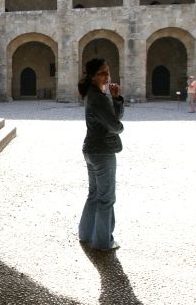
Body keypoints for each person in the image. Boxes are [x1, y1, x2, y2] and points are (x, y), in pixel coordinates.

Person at [77, 58, 124, 251]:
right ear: (92, 76)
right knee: (106, 198)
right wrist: (119, 126)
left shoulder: (95, 93)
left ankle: (86, 234)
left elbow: (113, 117)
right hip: (102, 152)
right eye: (102, 73)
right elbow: (115, 125)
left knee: (94, 194)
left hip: (91, 150)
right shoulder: (96, 96)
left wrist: (116, 98)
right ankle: (104, 242)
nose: (107, 76)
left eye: (107, 72)